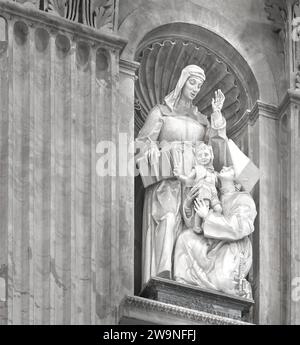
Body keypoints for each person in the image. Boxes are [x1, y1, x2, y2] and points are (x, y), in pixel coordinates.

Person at [135, 65, 228, 286]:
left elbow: (217, 153)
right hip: (166, 181)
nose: (196, 88)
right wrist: (149, 147)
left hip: (192, 184)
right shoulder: (161, 111)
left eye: (199, 84)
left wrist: (216, 115)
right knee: (167, 221)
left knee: (191, 230)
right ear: (182, 81)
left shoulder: (201, 119)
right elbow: (140, 144)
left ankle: (185, 280)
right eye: (192, 82)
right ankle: (161, 276)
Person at [173, 165, 257, 298]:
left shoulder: (244, 200)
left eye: (230, 168)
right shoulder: (213, 191)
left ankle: (236, 288)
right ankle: (182, 289)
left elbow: (239, 228)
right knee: (185, 238)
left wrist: (207, 216)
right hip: (212, 241)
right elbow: (195, 225)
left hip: (232, 246)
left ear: (237, 182)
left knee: (222, 280)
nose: (224, 166)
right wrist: (189, 204)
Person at [173, 142, 222, 233]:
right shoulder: (197, 169)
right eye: (200, 155)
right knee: (202, 207)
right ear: (196, 158)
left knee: (219, 209)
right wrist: (179, 176)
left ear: (211, 156)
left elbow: (222, 185)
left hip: (213, 194)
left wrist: (237, 187)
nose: (203, 157)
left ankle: (214, 225)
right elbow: (188, 180)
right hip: (203, 191)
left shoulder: (214, 174)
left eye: (206, 154)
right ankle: (197, 226)